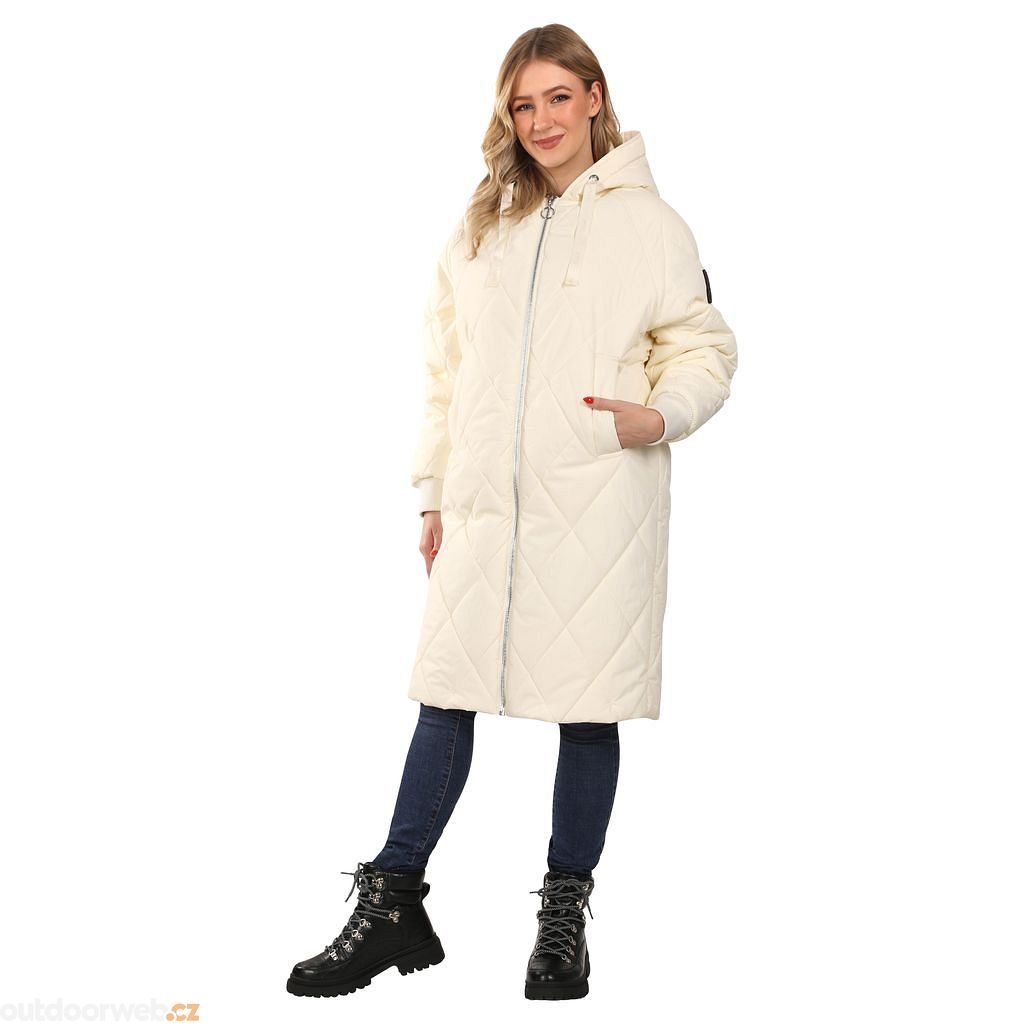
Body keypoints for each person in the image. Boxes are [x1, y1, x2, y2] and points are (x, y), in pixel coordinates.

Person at [287, 22, 738, 1003]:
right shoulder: (481, 226)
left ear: (594, 97)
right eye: (522, 105)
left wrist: (660, 414)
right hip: (485, 507)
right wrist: (433, 493)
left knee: (587, 706)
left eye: (557, 98)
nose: (540, 121)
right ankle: (394, 899)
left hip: (600, 500)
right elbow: (445, 371)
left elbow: (702, 346)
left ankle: (562, 917)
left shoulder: (653, 226)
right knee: (445, 694)